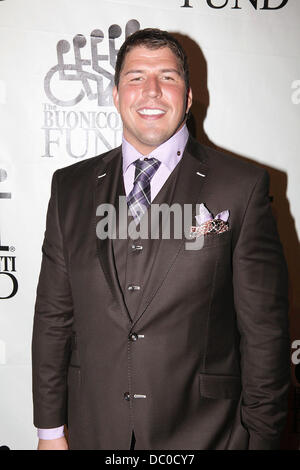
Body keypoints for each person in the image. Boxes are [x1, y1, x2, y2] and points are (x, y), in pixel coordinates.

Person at [32, 28, 290, 450]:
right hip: (92, 431)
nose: (151, 91)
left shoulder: (241, 187)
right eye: (136, 78)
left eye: (167, 77)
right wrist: (50, 431)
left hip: (209, 434)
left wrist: (261, 441)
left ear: (188, 98)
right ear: (116, 95)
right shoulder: (70, 188)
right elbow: (53, 319)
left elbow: (264, 332)